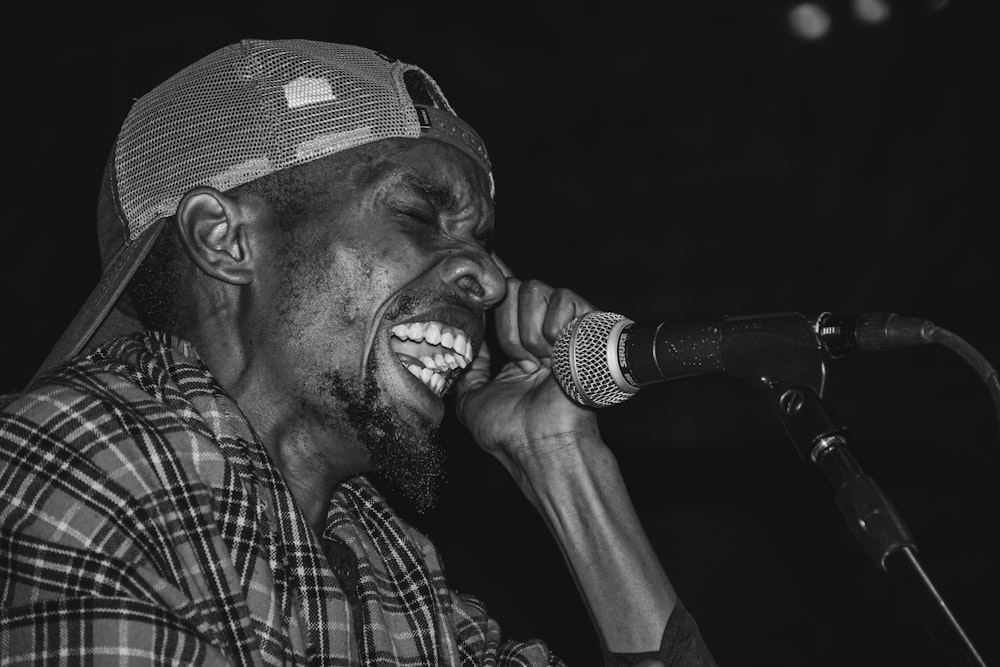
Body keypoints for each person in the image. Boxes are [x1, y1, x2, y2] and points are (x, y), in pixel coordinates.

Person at [0, 38, 716, 666]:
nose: (492, 280)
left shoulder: (389, 564)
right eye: (416, 214)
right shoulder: (80, 461)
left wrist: (564, 459)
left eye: (483, 242)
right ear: (225, 238)